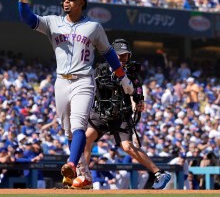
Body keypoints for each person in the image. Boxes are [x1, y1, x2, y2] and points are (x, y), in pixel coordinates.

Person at [15, 0, 134, 185]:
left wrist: (123, 78)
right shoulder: (53, 22)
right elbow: (28, 20)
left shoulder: (94, 27)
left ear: (81, 2)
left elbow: (109, 54)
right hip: (61, 81)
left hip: (83, 81)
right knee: (69, 131)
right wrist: (23, 1)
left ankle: (70, 165)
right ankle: (84, 175)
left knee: (79, 125)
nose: (66, 1)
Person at [71, 39, 171, 189]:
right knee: (85, 139)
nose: (122, 58)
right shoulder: (101, 70)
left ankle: (159, 174)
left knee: (127, 147)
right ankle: (83, 177)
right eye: (118, 55)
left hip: (121, 115)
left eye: (125, 55)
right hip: (101, 112)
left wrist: (138, 103)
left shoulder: (132, 73)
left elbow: (137, 92)